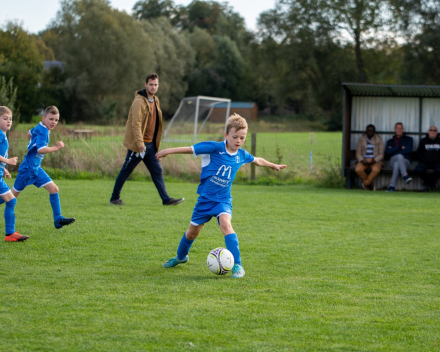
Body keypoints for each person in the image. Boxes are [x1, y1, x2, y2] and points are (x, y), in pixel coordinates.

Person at [156, 114, 287, 278]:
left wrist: (272, 165)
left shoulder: (241, 155)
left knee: (226, 225)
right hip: (204, 201)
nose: (238, 141)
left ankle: (238, 266)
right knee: (191, 233)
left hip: (223, 200)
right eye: (235, 137)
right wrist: (167, 151)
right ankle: (180, 258)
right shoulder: (214, 148)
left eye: (242, 138)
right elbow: (190, 149)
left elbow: (257, 160)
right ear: (226, 135)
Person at [110, 73, 183, 206]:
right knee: (126, 170)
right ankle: (114, 198)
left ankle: (166, 199)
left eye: (156, 85)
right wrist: (139, 143)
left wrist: (155, 145)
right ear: (145, 85)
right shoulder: (139, 101)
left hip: (151, 146)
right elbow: (136, 124)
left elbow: (155, 124)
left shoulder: (155, 100)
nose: (153, 87)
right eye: (151, 84)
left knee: (157, 171)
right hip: (139, 146)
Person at [11, 106, 75, 229]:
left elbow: (28, 133)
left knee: (54, 189)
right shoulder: (44, 131)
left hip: (36, 168)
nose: (54, 122)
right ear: (43, 118)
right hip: (27, 169)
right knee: (10, 197)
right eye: (51, 119)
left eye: (56, 120)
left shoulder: (40, 127)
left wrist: (31, 143)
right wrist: (56, 148)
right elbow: (40, 150)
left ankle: (58, 219)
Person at [0, 107, 28, 242]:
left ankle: (10, 233)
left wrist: (3, 168)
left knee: (9, 199)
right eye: (5, 118)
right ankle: (10, 233)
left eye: (10, 119)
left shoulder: (3, 135)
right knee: (11, 200)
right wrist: (7, 161)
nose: (8, 121)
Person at [385, 122, 413, 192]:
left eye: (400, 128)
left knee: (397, 164)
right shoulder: (390, 141)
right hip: (392, 160)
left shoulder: (409, 139)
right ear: (395, 129)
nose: (399, 130)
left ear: (403, 129)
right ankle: (405, 175)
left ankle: (391, 187)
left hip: (406, 161)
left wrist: (393, 150)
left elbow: (407, 150)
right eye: (397, 128)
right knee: (399, 156)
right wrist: (400, 148)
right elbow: (388, 152)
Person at [355, 124, 384, 191]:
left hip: (375, 160)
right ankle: (370, 184)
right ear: (366, 131)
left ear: (374, 131)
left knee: (376, 170)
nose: (370, 132)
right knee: (358, 169)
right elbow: (358, 153)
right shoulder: (361, 140)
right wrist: (362, 160)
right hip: (364, 160)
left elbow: (381, 154)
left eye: (371, 131)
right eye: (368, 131)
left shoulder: (379, 140)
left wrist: (374, 160)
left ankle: (366, 183)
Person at [414, 126, 440, 191]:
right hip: (425, 162)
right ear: (428, 132)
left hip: (437, 162)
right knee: (418, 170)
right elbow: (419, 152)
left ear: (437, 132)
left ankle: (429, 184)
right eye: (431, 130)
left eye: (435, 130)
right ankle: (430, 183)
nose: (433, 132)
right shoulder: (423, 141)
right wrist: (423, 160)